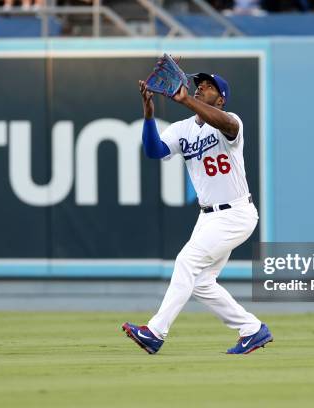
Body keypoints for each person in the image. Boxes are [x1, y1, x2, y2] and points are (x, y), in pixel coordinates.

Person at [121, 71, 273, 355]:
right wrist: (149, 114)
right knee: (201, 281)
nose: (201, 88)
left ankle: (155, 332)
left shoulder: (231, 122)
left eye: (209, 86)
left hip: (236, 213)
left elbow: (223, 121)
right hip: (208, 217)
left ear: (222, 97)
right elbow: (154, 151)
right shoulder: (183, 129)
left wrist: (187, 100)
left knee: (186, 262)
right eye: (199, 85)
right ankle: (252, 329)